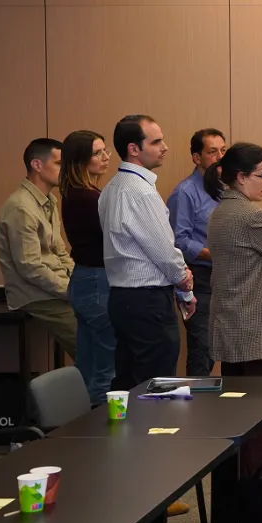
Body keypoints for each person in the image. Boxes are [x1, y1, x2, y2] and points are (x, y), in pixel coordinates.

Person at [206, 143, 262, 476]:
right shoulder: (253, 216)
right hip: (257, 328)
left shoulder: (219, 213)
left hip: (229, 326)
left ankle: (243, 491)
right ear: (241, 177)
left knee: (237, 415)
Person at [99, 114, 195, 390]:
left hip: (122, 298)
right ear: (134, 148)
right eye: (156, 142)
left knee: (129, 380)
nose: (164, 147)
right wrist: (184, 282)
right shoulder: (141, 192)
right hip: (147, 300)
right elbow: (164, 251)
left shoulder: (110, 189)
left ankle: (128, 422)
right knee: (156, 384)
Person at [0, 138, 77, 362]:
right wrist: (71, 291)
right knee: (94, 343)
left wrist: (79, 282)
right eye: (59, 163)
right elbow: (30, 267)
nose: (65, 170)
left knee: (106, 320)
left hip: (54, 289)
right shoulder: (21, 207)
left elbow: (60, 252)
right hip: (35, 295)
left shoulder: (50, 200)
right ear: (37, 165)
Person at [60, 130, 116, 405]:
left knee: (89, 362)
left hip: (85, 279)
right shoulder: (88, 198)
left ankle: (82, 419)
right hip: (96, 280)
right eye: (97, 153)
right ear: (80, 160)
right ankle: (100, 423)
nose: (105, 157)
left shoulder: (76, 193)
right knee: (105, 366)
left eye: (105, 150)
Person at [166, 128, 226, 376]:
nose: (220, 157)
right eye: (212, 152)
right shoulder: (185, 192)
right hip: (200, 276)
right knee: (203, 346)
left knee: (220, 345)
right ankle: (196, 396)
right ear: (196, 157)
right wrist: (216, 254)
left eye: (223, 150)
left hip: (223, 277)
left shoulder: (223, 190)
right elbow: (179, 240)